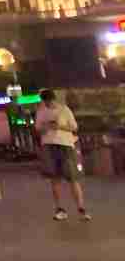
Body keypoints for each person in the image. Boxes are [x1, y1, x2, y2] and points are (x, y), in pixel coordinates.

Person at [35, 90, 91, 221]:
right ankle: (60, 209)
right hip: (49, 145)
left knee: (73, 178)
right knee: (55, 179)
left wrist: (60, 126)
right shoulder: (41, 112)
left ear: (54, 99)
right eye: (46, 102)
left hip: (66, 145)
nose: (48, 104)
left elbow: (74, 127)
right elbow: (38, 129)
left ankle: (81, 209)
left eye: (50, 101)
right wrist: (46, 126)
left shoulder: (64, 110)